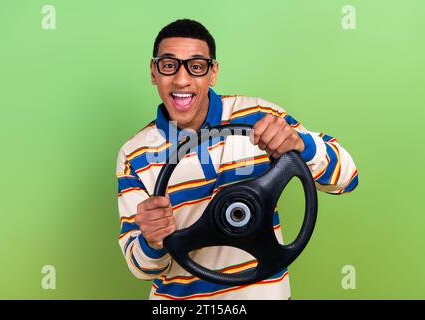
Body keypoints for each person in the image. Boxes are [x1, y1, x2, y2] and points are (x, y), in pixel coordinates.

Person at [116, 19, 359, 300]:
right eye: (169, 65)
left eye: (196, 66)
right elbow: (141, 268)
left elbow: (347, 178)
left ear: (213, 72)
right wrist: (150, 239)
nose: (181, 80)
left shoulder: (260, 116)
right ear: (153, 72)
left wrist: (300, 145)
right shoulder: (134, 154)